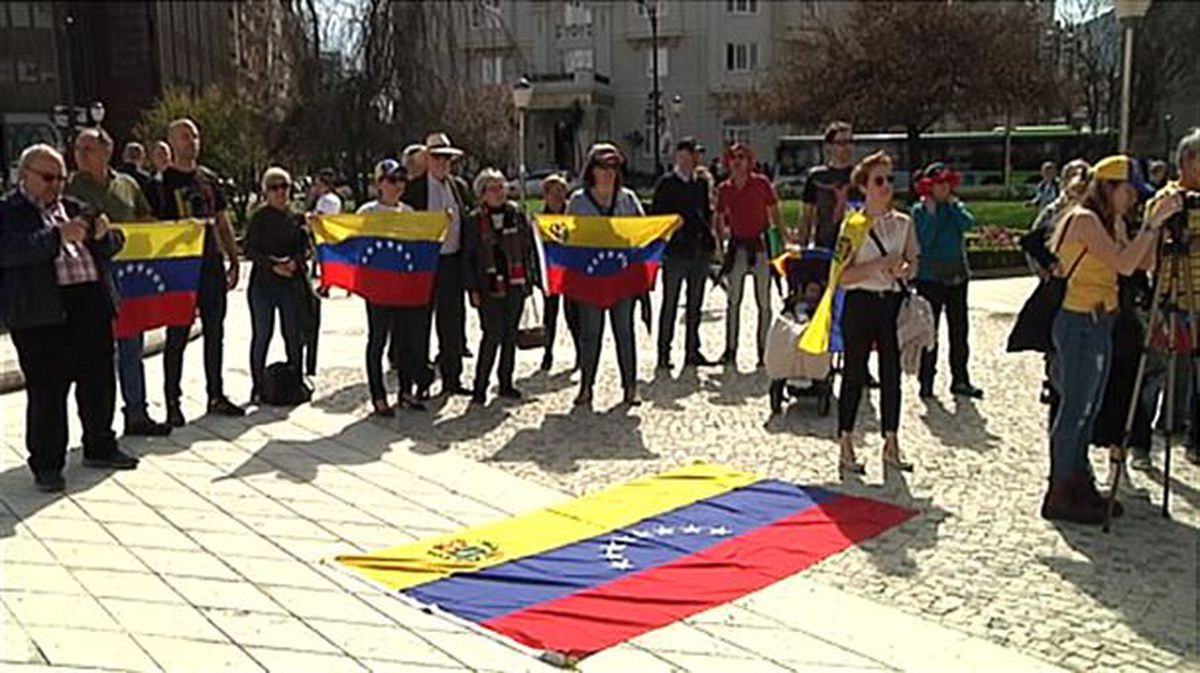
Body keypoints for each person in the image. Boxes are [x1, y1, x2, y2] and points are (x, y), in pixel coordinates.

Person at [1041, 155, 1179, 524]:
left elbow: (1139, 264)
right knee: (1075, 410)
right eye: (1129, 190)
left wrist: (1156, 230)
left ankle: (1078, 481)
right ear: (1110, 188)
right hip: (1078, 322)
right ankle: (1060, 490)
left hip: (1100, 321)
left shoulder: (1111, 221)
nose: (1133, 198)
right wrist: (1149, 227)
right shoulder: (1084, 220)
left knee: (1090, 409)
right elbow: (1122, 264)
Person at [0, 144, 138, 492]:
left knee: (99, 378)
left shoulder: (74, 207)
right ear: (24, 174)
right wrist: (56, 236)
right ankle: (47, 463)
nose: (55, 185)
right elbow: (10, 251)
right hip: (43, 311)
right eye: (47, 178)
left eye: (60, 178)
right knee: (48, 389)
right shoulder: (9, 211)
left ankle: (100, 443)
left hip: (89, 302)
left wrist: (105, 234)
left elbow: (112, 243)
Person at [64, 129, 171, 437]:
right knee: (98, 356)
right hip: (90, 282)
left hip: (129, 279)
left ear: (106, 151)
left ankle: (136, 413)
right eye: (78, 148)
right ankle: (100, 426)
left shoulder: (127, 185)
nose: (81, 154)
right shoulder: (70, 187)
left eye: (88, 148)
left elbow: (146, 219)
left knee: (131, 348)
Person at [835, 152, 919, 476]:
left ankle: (892, 441)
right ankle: (846, 442)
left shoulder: (904, 222)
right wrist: (877, 266)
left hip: (891, 303)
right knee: (854, 372)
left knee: (891, 374)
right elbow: (842, 276)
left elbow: (914, 261)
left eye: (889, 179)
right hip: (860, 303)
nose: (886, 186)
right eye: (878, 180)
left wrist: (905, 270)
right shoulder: (853, 226)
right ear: (865, 186)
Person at [157, 118, 245, 425]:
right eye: (184, 136)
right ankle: (172, 401)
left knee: (215, 333)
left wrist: (233, 258)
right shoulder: (163, 182)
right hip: (180, 269)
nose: (191, 141)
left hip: (210, 265)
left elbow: (222, 220)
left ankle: (216, 394)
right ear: (171, 142)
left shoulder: (208, 179)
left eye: (194, 135)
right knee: (177, 335)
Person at [568, 143, 646, 407]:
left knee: (625, 332)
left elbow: (642, 233)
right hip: (591, 278)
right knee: (591, 334)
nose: (608, 172)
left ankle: (630, 387)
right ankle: (586, 386)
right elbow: (569, 238)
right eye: (603, 166)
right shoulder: (578, 201)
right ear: (592, 169)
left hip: (621, 277)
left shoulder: (628, 199)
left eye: (613, 166)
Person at [1141, 128, 1200, 469]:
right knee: (1156, 371)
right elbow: (1151, 243)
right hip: (1170, 295)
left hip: (1198, 297)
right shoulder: (1166, 199)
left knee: (1195, 372)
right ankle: (1141, 441)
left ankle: (1191, 436)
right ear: (1188, 160)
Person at [403, 132, 476, 397]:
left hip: (452, 261)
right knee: (420, 322)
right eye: (436, 158)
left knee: (452, 322)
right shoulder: (414, 189)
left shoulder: (459, 187)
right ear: (427, 160)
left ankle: (452, 377)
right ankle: (421, 379)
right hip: (425, 263)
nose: (441, 163)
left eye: (446, 158)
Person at [354, 160, 426, 415]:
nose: (398, 186)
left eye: (401, 181)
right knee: (378, 340)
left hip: (402, 286)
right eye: (392, 180)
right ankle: (378, 395)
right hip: (377, 289)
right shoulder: (367, 213)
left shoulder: (407, 212)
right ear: (379, 184)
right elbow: (352, 242)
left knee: (405, 341)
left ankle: (406, 391)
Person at [464, 168, 537, 404]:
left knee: (510, 335)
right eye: (493, 188)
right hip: (488, 286)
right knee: (492, 335)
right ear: (482, 194)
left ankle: (506, 382)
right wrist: (472, 289)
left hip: (514, 283)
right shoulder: (475, 220)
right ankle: (480, 386)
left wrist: (529, 279)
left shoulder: (516, 214)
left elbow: (527, 248)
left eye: (501, 187)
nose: (499, 192)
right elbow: (469, 257)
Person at [911, 162, 982, 400]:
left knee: (959, 329)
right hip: (930, 278)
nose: (942, 189)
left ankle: (960, 378)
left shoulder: (955, 206)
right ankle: (926, 378)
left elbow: (968, 224)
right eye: (938, 184)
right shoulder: (920, 211)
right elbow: (924, 242)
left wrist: (952, 206)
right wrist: (931, 215)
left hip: (956, 275)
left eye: (945, 184)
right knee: (929, 330)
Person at [715, 142, 785, 367]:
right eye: (734, 157)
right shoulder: (724, 188)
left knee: (764, 302)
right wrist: (720, 244)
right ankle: (730, 349)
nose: (737, 161)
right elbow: (718, 217)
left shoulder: (761, 184)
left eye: (742, 157)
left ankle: (763, 350)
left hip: (760, 247)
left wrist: (781, 243)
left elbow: (775, 214)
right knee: (732, 301)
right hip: (737, 247)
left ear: (749, 161)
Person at [245, 166, 309, 403]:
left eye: (284, 187)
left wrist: (295, 263)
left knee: (293, 334)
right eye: (274, 188)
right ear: (266, 192)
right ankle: (258, 385)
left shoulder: (296, 217)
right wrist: (273, 265)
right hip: (263, 283)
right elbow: (250, 250)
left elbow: (305, 247)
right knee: (262, 333)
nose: (280, 192)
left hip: (289, 284)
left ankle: (297, 381)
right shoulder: (259, 218)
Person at [653, 137, 717, 370]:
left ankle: (692, 349)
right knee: (670, 303)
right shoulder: (667, 184)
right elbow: (657, 216)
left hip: (699, 250)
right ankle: (663, 352)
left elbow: (705, 214)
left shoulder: (700, 183)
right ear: (682, 155)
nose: (695, 158)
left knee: (695, 304)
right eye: (692, 153)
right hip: (676, 252)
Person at [539, 173, 581, 372]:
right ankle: (547, 352)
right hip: (550, 272)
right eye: (554, 192)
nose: (558, 196)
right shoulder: (540, 220)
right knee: (550, 315)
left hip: (571, 271)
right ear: (546, 195)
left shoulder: (572, 215)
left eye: (562, 192)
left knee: (573, 315)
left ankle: (580, 352)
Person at [800, 121, 858, 250]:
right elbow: (806, 216)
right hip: (825, 245)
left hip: (855, 247)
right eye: (841, 143)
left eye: (850, 142)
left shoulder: (860, 176)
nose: (847, 147)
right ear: (829, 146)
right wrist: (802, 248)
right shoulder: (816, 177)